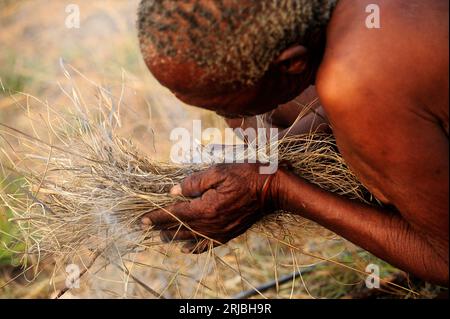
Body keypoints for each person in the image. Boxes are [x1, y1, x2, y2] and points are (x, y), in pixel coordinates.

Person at [137, 0, 449, 285]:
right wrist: (280, 149)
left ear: (291, 64)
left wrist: (274, 187)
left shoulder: (354, 82)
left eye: (223, 104)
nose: (225, 117)